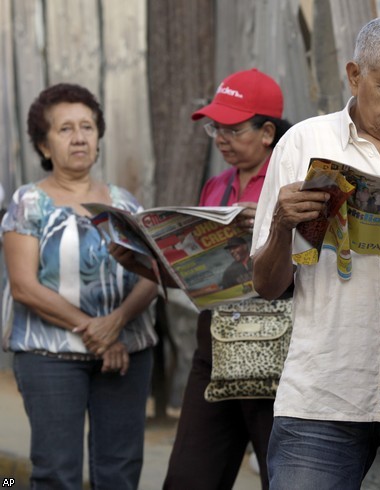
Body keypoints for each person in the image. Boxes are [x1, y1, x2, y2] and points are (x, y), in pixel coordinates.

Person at [251, 16, 380, 490]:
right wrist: (283, 227)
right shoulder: (304, 143)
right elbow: (266, 286)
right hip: (323, 393)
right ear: (353, 75)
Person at [110, 68, 292, 490]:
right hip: (215, 344)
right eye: (215, 128)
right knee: (190, 476)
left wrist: (271, 224)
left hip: (275, 345)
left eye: (232, 128)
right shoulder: (217, 185)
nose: (221, 138)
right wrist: (141, 263)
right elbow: (199, 278)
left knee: (281, 475)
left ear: (268, 132)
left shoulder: (290, 183)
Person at [0, 83, 158, 489]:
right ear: (44, 144)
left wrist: (118, 322)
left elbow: (153, 275)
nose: (79, 137)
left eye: (87, 127)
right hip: (50, 354)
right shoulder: (28, 203)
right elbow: (24, 286)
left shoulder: (125, 204)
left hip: (128, 352)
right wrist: (98, 333)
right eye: (65, 128)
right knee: (57, 473)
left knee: (120, 472)